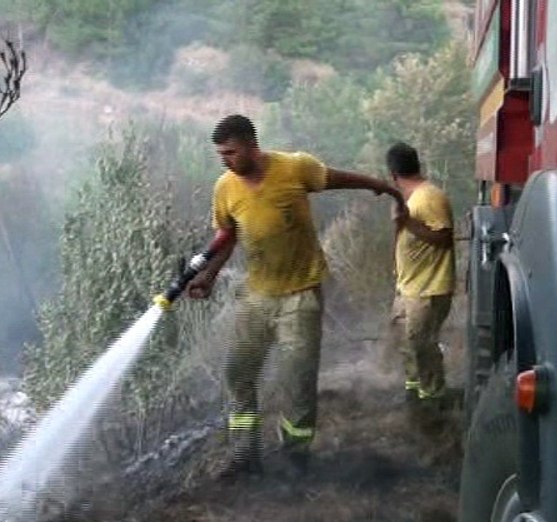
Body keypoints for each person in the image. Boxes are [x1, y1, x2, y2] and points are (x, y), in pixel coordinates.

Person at [186, 114, 403, 478]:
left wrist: (381, 186)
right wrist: (207, 277)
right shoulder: (225, 187)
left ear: (252, 146)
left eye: (231, 153)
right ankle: (245, 454)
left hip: (300, 296)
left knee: (297, 381)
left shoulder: (295, 167)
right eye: (221, 155)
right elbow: (226, 238)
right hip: (256, 296)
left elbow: (336, 178)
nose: (226, 161)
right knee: (238, 372)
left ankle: (295, 455)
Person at [386, 141, 455, 403]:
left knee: (423, 346)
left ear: (392, 174)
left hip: (428, 290)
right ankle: (415, 390)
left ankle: (434, 399)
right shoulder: (414, 198)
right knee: (407, 343)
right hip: (410, 288)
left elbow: (445, 238)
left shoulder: (430, 196)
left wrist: (407, 223)